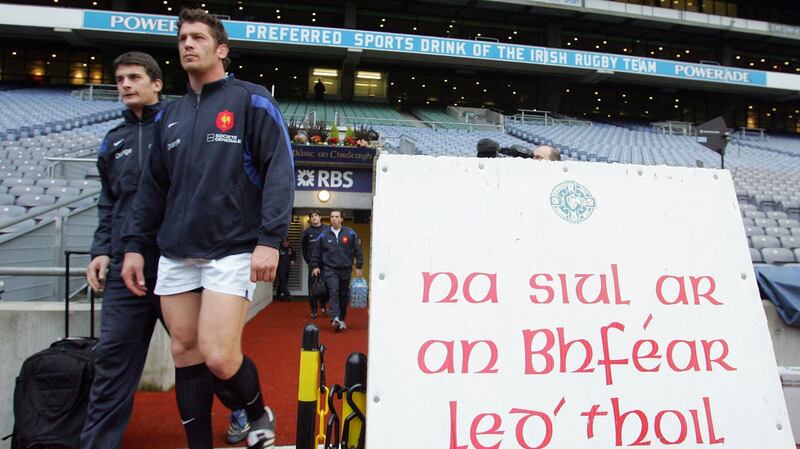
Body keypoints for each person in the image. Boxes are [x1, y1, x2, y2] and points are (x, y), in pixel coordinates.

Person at [120, 8, 294, 449]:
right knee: (185, 353)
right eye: (182, 38)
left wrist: (270, 239)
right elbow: (153, 188)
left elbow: (279, 170)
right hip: (176, 251)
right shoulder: (170, 115)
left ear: (221, 50)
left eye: (197, 37)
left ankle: (257, 412)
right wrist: (136, 246)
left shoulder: (251, 100)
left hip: (233, 247)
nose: (187, 44)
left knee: (218, 356)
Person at [81, 51, 165, 449]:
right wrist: (101, 250)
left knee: (203, 352)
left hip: (175, 263)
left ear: (157, 83)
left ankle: (239, 411)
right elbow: (107, 201)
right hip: (123, 269)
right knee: (111, 360)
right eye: (119, 79)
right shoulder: (112, 141)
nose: (126, 85)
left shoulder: (178, 126)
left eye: (134, 77)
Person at [309, 209, 363, 332]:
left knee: (343, 295)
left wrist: (359, 266)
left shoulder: (350, 233)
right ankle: (335, 318)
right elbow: (316, 251)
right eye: (332, 216)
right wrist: (315, 266)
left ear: (342, 219)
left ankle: (342, 318)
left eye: (337, 216)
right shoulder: (323, 234)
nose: (334, 219)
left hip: (346, 269)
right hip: (330, 269)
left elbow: (357, 250)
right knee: (334, 291)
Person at [301, 210, 329, 318]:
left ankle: (323, 305)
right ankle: (313, 310)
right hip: (313, 265)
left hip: (326, 264)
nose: (314, 218)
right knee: (313, 288)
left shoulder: (327, 230)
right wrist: (310, 263)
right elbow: (304, 248)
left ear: (320, 217)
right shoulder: (307, 232)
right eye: (312, 216)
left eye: (316, 215)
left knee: (327, 286)